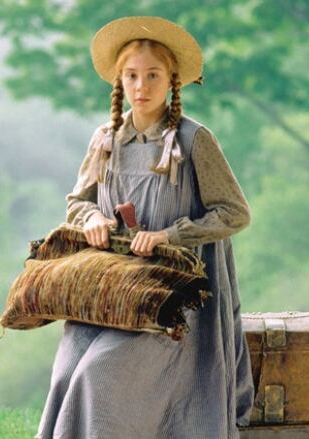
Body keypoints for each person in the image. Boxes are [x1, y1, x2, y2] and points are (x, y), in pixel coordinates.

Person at [36, 16, 254, 438]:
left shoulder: (193, 141)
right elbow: (77, 203)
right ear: (119, 81)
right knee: (67, 373)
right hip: (110, 293)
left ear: (171, 80)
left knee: (97, 376)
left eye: (153, 75)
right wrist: (94, 218)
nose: (142, 87)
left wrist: (170, 236)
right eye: (132, 76)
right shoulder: (106, 140)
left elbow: (235, 213)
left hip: (172, 300)